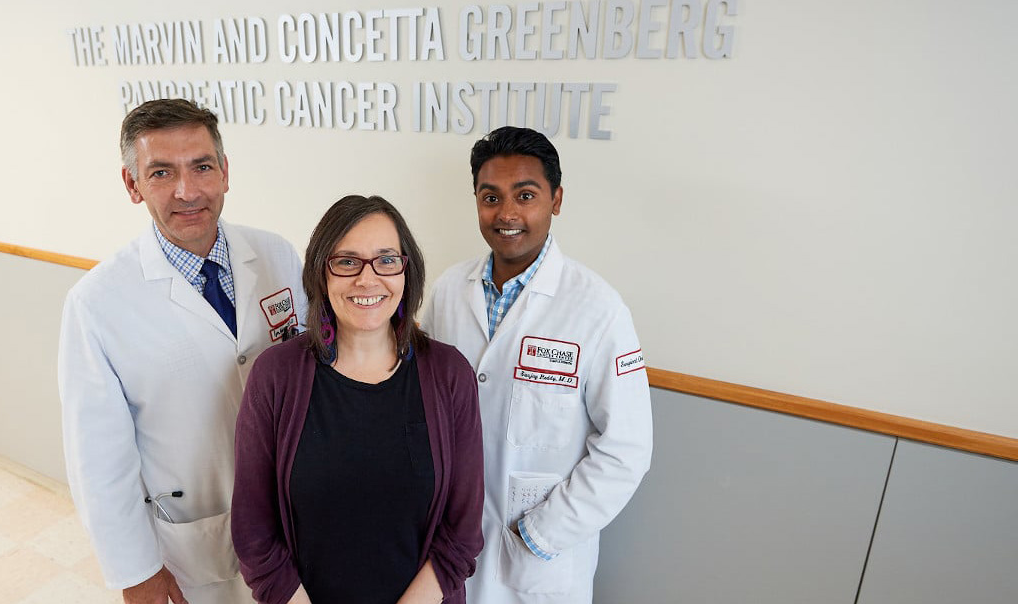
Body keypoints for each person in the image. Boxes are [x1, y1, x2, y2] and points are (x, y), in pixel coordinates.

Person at [58, 98, 306, 604]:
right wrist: (137, 573)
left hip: (296, 525)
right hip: (198, 545)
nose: (187, 191)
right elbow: (99, 462)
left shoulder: (277, 254)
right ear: (132, 185)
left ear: (225, 172)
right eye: (161, 173)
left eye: (201, 167)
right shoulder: (97, 303)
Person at [424, 126, 653, 604]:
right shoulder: (447, 290)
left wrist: (539, 534)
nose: (507, 213)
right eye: (491, 197)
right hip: (446, 546)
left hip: (536, 560)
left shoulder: (597, 309)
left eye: (525, 195)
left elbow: (626, 449)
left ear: (556, 200)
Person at [231, 195, 485, 604]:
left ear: (406, 270)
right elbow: (254, 533)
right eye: (347, 261)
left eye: (386, 260)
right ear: (321, 273)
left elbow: (462, 534)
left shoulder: (449, 375)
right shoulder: (276, 375)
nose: (368, 280)